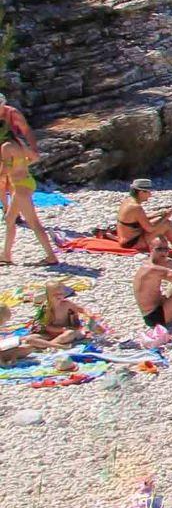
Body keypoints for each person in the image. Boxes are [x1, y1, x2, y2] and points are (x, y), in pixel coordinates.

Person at [0, 130, 57, 267]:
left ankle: (51, 256)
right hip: (26, 182)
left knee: (34, 223)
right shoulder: (18, 143)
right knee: (9, 219)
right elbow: (35, 157)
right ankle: (6, 255)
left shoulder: (6, 147)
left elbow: (5, 169)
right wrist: (22, 165)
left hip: (21, 187)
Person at [115, 179, 172, 258]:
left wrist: (159, 213)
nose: (150, 195)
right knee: (166, 224)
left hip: (126, 239)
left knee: (161, 221)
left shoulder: (128, 201)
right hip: (132, 243)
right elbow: (150, 228)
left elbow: (139, 219)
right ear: (141, 192)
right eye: (148, 192)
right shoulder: (136, 207)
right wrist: (166, 216)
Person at [32, 281, 100, 346]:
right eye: (55, 294)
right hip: (51, 333)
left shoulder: (67, 304)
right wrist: (61, 329)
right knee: (30, 338)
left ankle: (49, 345)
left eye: (61, 294)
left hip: (67, 332)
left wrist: (89, 314)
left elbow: (81, 309)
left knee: (70, 333)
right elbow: (46, 327)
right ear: (48, 295)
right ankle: (49, 344)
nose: (59, 296)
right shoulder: (46, 309)